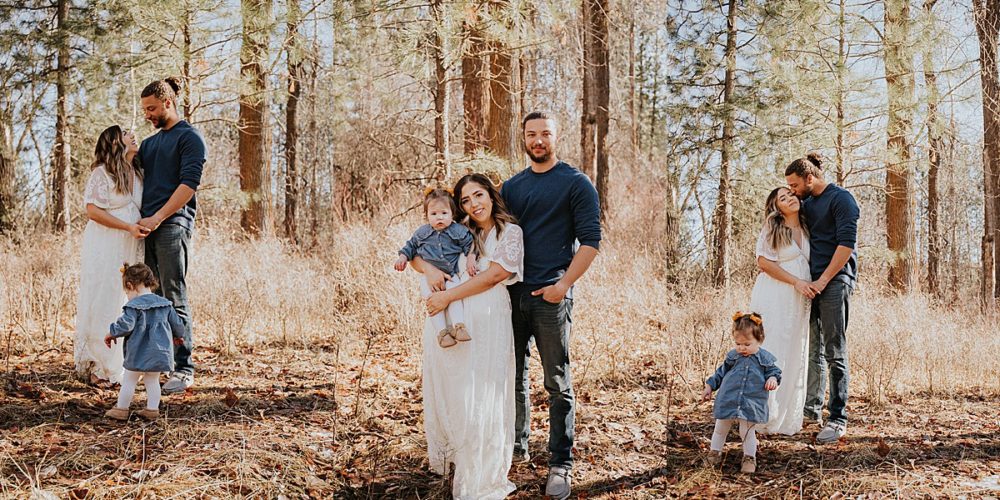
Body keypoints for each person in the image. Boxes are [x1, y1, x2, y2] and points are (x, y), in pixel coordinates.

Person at [499, 111, 601, 499]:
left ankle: (560, 463)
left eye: (545, 134)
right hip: (510, 296)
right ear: (523, 139)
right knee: (513, 377)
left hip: (551, 296)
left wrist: (563, 285)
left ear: (556, 137)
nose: (538, 140)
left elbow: (591, 242)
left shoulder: (575, 183)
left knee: (557, 382)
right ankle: (517, 448)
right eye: (531, 134)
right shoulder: (511, 187)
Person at [416, 173, 521, 499]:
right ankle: (457, 457)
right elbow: (417, 250)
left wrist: (447, 296)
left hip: (488, 319)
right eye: (465, 200)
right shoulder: (459, 231)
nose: (474, 204)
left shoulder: (510, 232)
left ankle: (481, 471)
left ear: (491, 195)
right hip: (451, 319)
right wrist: (430, 270)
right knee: (457, 390)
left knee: (483, 391)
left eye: (479, 195)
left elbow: (496, 275)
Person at [137, 77, 207, 393]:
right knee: (153, 299)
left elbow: (187, 185)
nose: (147, 115)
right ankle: (158, 362)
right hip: (145, 229)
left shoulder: (189, 138)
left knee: (173, 294)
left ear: (168, 102)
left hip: (172, 224)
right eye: (144, 109)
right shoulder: (149, 145)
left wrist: (158, 217)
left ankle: (184, 368)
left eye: (151, 108)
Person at [785, 152, 860, 443]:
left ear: (810, 178)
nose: (792, 189)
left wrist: (824, 279)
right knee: (813, 350)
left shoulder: (841, 199)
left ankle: (838, 418)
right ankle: (810, 411)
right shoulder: (806, 203)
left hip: (835, 281)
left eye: (794, 184)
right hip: (811, 284)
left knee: (834, 350)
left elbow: (846, 245)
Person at [75, 125, 148, 384]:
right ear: (116, 142)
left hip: (131, 244)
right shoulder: (102, 173)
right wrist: (127, 226)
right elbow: (93, 211)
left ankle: (122, 364)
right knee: (105, 296)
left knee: (127, 298)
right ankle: (99, 366)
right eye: (127, 133)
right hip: (106, 243)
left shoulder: (137, 173)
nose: (133, 135)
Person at [750, 187, 812, 435]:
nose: (790, 199)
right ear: (777, 207)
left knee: (795, 350)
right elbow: (763, 262)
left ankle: (786, 418)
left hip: (798, 300)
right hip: (775, 295)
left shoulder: (807, 228)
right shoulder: (773, 228)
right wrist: (795, 281)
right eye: (782, 199)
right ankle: (761, 414)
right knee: (772, 349)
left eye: (790, 194)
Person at [394, 188, 477, 348]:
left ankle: (459, 326)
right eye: (434, 214)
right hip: (428, 279)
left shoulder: (458, 231)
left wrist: (471, 258)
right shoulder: (422, 232)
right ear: (427, 215)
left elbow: (470, 244)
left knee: (454, 297)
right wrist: (402, 257)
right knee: (432, 302)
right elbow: (410, 247)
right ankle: (442, 333)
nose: (439, 217)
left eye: (444, 213)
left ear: (452, 213)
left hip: (451, 274)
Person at [702, 312, 782, 474]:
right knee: (720, 428)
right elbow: (720, 373)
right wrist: (710, 386)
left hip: (750, 401)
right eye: (738, 343)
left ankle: (749, 457)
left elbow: (775, 372)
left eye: (747, 344)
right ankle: (714, 452)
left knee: (746, 431)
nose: (741, 348)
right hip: (728, 398)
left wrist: (772, 379)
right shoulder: (733, 356)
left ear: (759, 340)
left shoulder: (765, 359)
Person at [104, 263, 185, 420]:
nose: (127, 296)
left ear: (130, 285)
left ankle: (121, 409)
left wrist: (111, 333)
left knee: (129, 380)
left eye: (127, 292)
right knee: (152, 380)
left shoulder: (133, 306)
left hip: (139, 351)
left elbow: (125, 326)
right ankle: (152, 410)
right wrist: (178, 335)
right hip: (160, 352)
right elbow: (178, 324)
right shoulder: (166, 304)